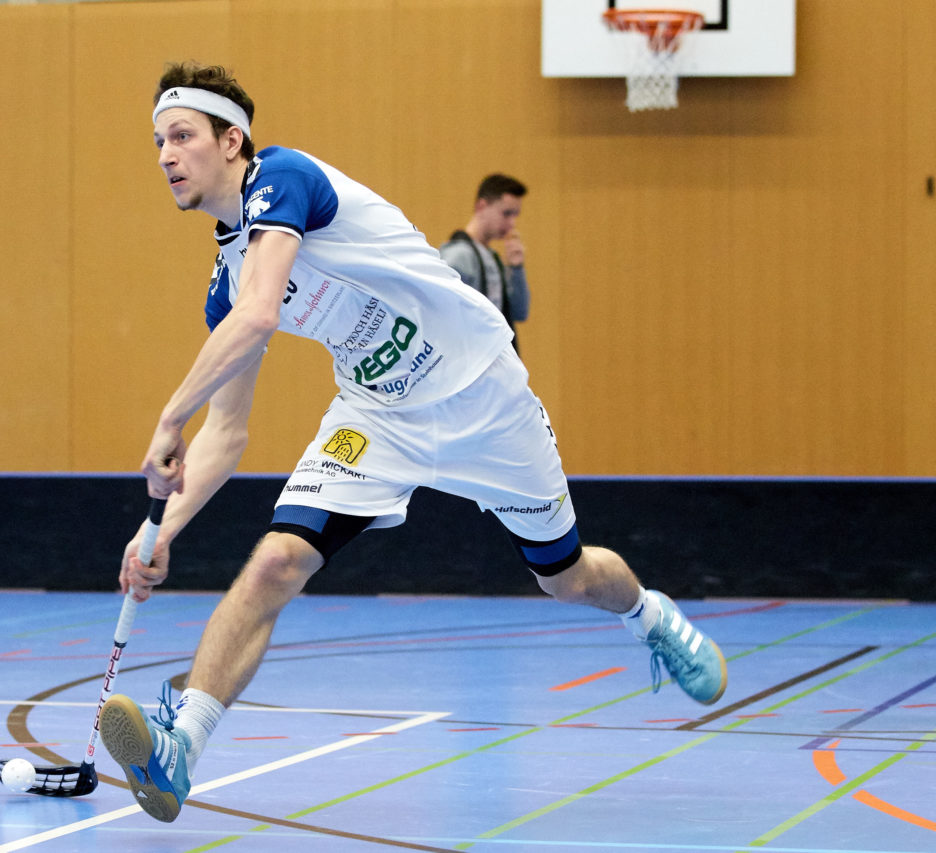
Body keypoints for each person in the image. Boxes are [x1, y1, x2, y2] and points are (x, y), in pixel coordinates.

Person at [98, 61, 727, 824]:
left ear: (231, 141)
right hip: (379, 413)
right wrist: (161, 527)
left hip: (483, 393)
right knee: (274, 560)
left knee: (566, 577)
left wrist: (168, 418)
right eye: (159, 140)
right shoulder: (223, 283)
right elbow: (226, 434)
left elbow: (263, 314)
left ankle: (651, 618)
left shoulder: (284, 176)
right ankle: (180, 751)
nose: (166, 153)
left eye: (183, 136)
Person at [439, 174, 531, 353]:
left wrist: (516, 268)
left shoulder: (493, 258)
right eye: (506, 213)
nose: (512, 223)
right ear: (481, 206)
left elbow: (520, 312)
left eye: (515, 215)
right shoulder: (459, 256)